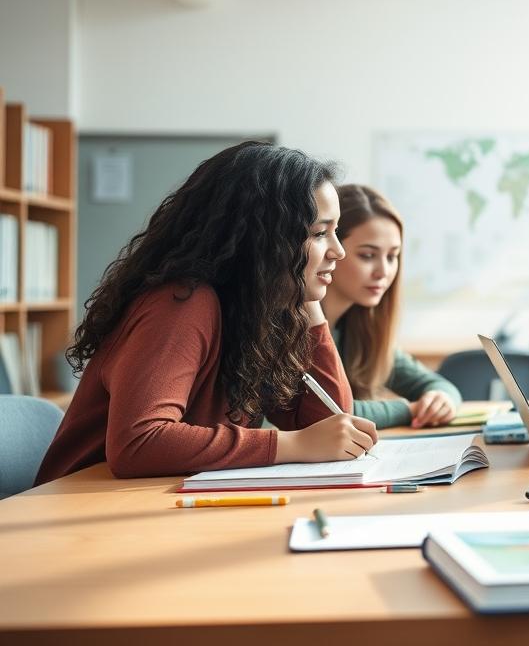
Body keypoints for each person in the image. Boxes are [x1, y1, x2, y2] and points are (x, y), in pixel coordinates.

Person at [37, 142, 376, 483]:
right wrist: (291, 445)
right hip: (82, 501)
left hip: (158, 497)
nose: (338, 251)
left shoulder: (258, 312)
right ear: (261, 240)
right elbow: (139, 442)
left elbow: (332, 429)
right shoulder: (181, 303)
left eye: (335, 232)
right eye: (319, 233)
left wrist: (307, 303)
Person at [320, 184, 462, 428]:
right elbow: (324, 411)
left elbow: (439, 386)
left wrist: (441, 399)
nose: (383, 272)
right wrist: (408, 410)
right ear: (331, 251)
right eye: (367, 255)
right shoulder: (296, 328)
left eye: (392, 256)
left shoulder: (360, 328)